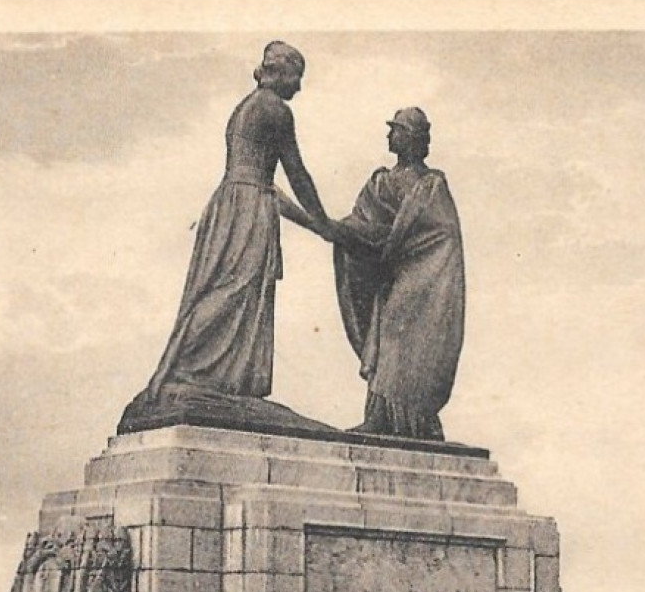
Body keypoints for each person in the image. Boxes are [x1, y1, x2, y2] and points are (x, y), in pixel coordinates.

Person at [141, 42, 334, 403]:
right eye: (297, 77)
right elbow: (296, 173)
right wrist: (324, 222)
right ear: (281, 73)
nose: (299, 88)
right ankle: (186, 368)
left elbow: (266, 182)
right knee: (234, 289)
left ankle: (193, 373)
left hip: (232, 201)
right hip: (248, 210)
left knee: (220, 288)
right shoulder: (275, 109)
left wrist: (313, 224)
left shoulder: (247, 106)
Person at [328, 106, 466, 440]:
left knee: (405, 340)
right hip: (392, 275)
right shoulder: (381, 182)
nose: (389, 135)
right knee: (387, 335)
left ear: (413, 138)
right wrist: (349, 233)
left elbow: (442, 235)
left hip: (426, 279)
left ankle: (411, 420)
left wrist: (400, 248)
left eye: (397, 130)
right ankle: (380, 416)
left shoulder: (432, 185)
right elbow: (363, 222)